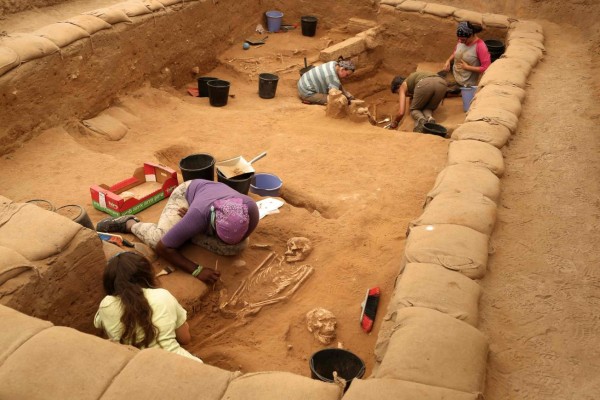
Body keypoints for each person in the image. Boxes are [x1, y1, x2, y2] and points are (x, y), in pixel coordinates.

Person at [96, 179, 259, 285]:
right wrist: (197, 270)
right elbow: (162, 247)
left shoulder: (251, 209)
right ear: (212, 222)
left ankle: (186, 232)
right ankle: (129, 224)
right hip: (186, 195)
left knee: (236, 247)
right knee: (159, 238)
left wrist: (192, 228)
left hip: (200, 209)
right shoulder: (199, 214)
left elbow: (235, 239)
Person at [94, 251, 202, 362]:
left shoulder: (105, 305)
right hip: (177, 362)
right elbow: (185, 339)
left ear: (109, 283)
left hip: (134, 368)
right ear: (146, 274)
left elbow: (101, 326)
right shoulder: (162, 296)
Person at [444, 21, 491, 88]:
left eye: (463, 40)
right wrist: (448, 60)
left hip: (467, 83)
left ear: (471, 35)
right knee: (436, 81)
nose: (460, 41)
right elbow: (455, 52)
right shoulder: (461, 40)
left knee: (443, 91)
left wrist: (468, 68)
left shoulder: (480, 46)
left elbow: (486, 68)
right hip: (455, 75)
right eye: (459, 39)